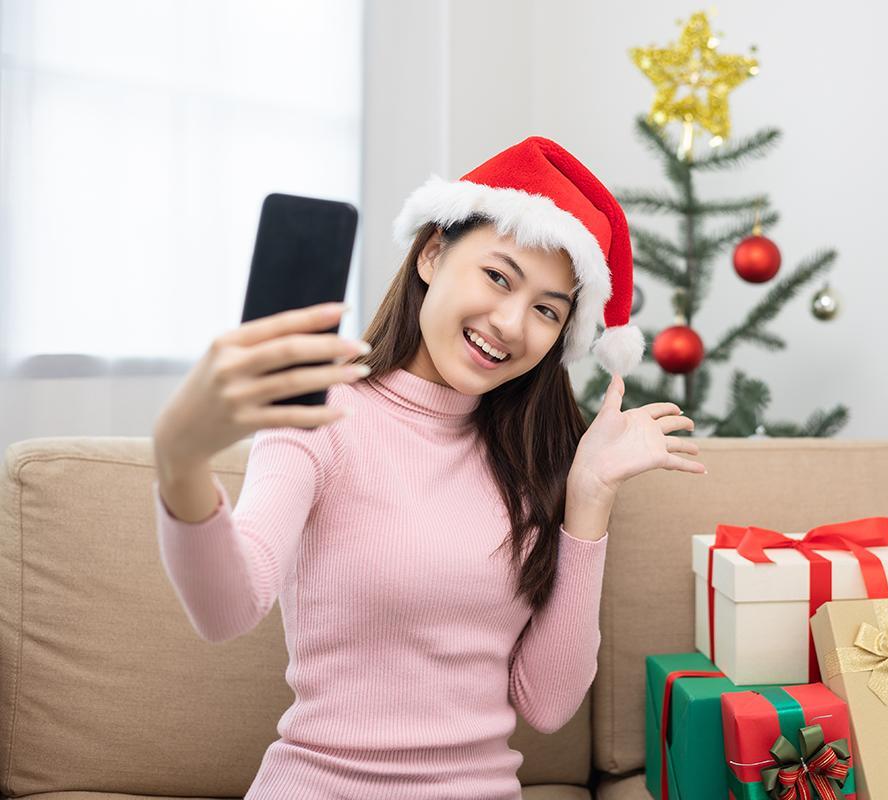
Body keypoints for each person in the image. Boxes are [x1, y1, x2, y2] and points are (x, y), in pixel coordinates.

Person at [150, 136, 705, 799]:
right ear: (433, 253)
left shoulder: (532, 455)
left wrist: (589, 497)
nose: (508, 323)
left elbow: (549, 704)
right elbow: (227, 609)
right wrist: (180, 458)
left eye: (546, 310)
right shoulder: (322, 407)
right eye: (498, 276)